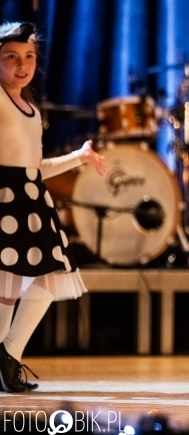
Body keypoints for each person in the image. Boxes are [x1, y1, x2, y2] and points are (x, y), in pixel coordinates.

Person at [0, 21, 106, 392]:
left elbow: (35, 168)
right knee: (6, 288)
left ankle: (8, 355)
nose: (22, 65)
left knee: (45, 279)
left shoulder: (29, 109)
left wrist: (78, 157)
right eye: (11, 57)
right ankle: (6, 361)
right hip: (5, 202)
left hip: (30, 201)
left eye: (28, 57)